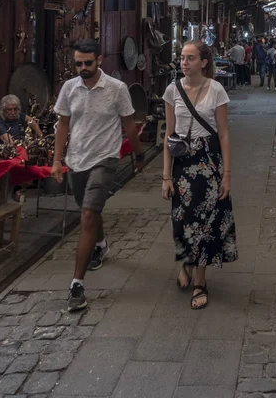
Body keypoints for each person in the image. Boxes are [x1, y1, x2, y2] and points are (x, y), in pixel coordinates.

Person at [51, 39, 145, 312]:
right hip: (77, 159)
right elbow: (63, 124)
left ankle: (77, 285)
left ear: (100, 60)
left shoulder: (116, 89)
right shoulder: (70, 88)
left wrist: (138, 155)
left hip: (105, 158)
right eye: (78, 63)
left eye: (87, 63)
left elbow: (129, 123)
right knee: (88, 209)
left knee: (88, 215)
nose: (82, 68)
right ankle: (101, 244)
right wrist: (57, 160)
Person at [162, 41, 237, 310]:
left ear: (203, 62)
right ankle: (186, 262)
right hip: (183, 164)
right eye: (182, 58)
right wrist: (166, 176)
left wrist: (227, 174)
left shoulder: (216, 90)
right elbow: (169, 135)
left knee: (206, 224)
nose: (184, 63)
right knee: (182, 221)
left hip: (208, 164)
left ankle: (200, 281)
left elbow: (224, 134)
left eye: (190, 58)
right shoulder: (172, 90)